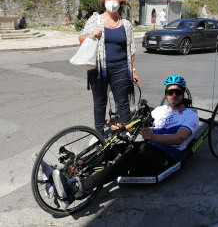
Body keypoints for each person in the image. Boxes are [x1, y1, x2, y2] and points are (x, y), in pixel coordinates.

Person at [51, 75, 199, 210]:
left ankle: (78, 186)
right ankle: (68, 171)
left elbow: (180, 137)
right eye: (170, 92)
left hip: (165, 153)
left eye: (178, 92)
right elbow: (138, 123)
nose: (173, 96)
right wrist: (120, 125)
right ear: (166, 93)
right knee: (111, 150)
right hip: (148, 146)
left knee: (126, 160)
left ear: (183, 93)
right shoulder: (160, 110)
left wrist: (154, 137)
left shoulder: (190, 115)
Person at [78, 0, 140, 134]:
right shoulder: (96, 19)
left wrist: (133, 71)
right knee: (100, 103)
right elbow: (81, 39)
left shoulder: (126, 24)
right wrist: (92, 33)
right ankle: (99, 132)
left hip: (121, 68)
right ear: (104, 1)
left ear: (121, 2)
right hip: (99, 69)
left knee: (123, 103)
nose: (112, 2)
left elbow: (130, 50)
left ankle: (126, 132)